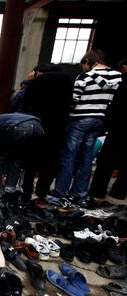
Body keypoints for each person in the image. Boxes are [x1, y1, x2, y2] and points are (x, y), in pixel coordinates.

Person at [47, 50, 122, 208]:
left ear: (88, 61)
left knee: (69, 156)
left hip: (79, 119)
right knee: (87, 157)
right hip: (99, 119)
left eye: (84, 64)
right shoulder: (117, 77)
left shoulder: (85, 77)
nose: (83, 68)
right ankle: (79, 193)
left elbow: (74, 100)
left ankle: (59, 193)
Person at [21, 64, 74, 199]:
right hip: (59, 125)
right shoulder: (68, 79)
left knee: (32, 158)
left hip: (40, 123)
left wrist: (30, 81)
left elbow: (26, 100)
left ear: (39, 72)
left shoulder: (40, 80)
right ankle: (42, 190)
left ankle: (27, 189)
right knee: (52, 159)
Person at [0, 113, 44, 204]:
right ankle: (10, 191)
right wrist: (4, 173)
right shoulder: (3, 119)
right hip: (38, 127)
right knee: (18, 158)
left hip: (19, 127)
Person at [89, 59, 127, 200]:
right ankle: (119, 192)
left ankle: (97, 190)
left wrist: (107, 123)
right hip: (120, 126)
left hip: (119, 128)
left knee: (106, 161)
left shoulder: (123, 82)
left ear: (124, 67)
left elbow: (114, 107)